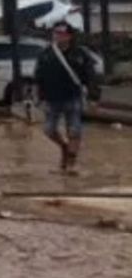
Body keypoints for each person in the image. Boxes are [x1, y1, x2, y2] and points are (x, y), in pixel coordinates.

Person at [32, 21, 100, 175]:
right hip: (51, 99)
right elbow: (37, 77)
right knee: (49, 130)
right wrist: (37, 97)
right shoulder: (46, 54)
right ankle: (64, 147)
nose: (58, 36)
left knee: (74, 131)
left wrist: (93, 98)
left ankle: (70, 163)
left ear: (69, 36)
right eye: (56, 33)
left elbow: (91, 77)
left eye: (62, 34)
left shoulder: (80, 54)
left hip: (73, 97)